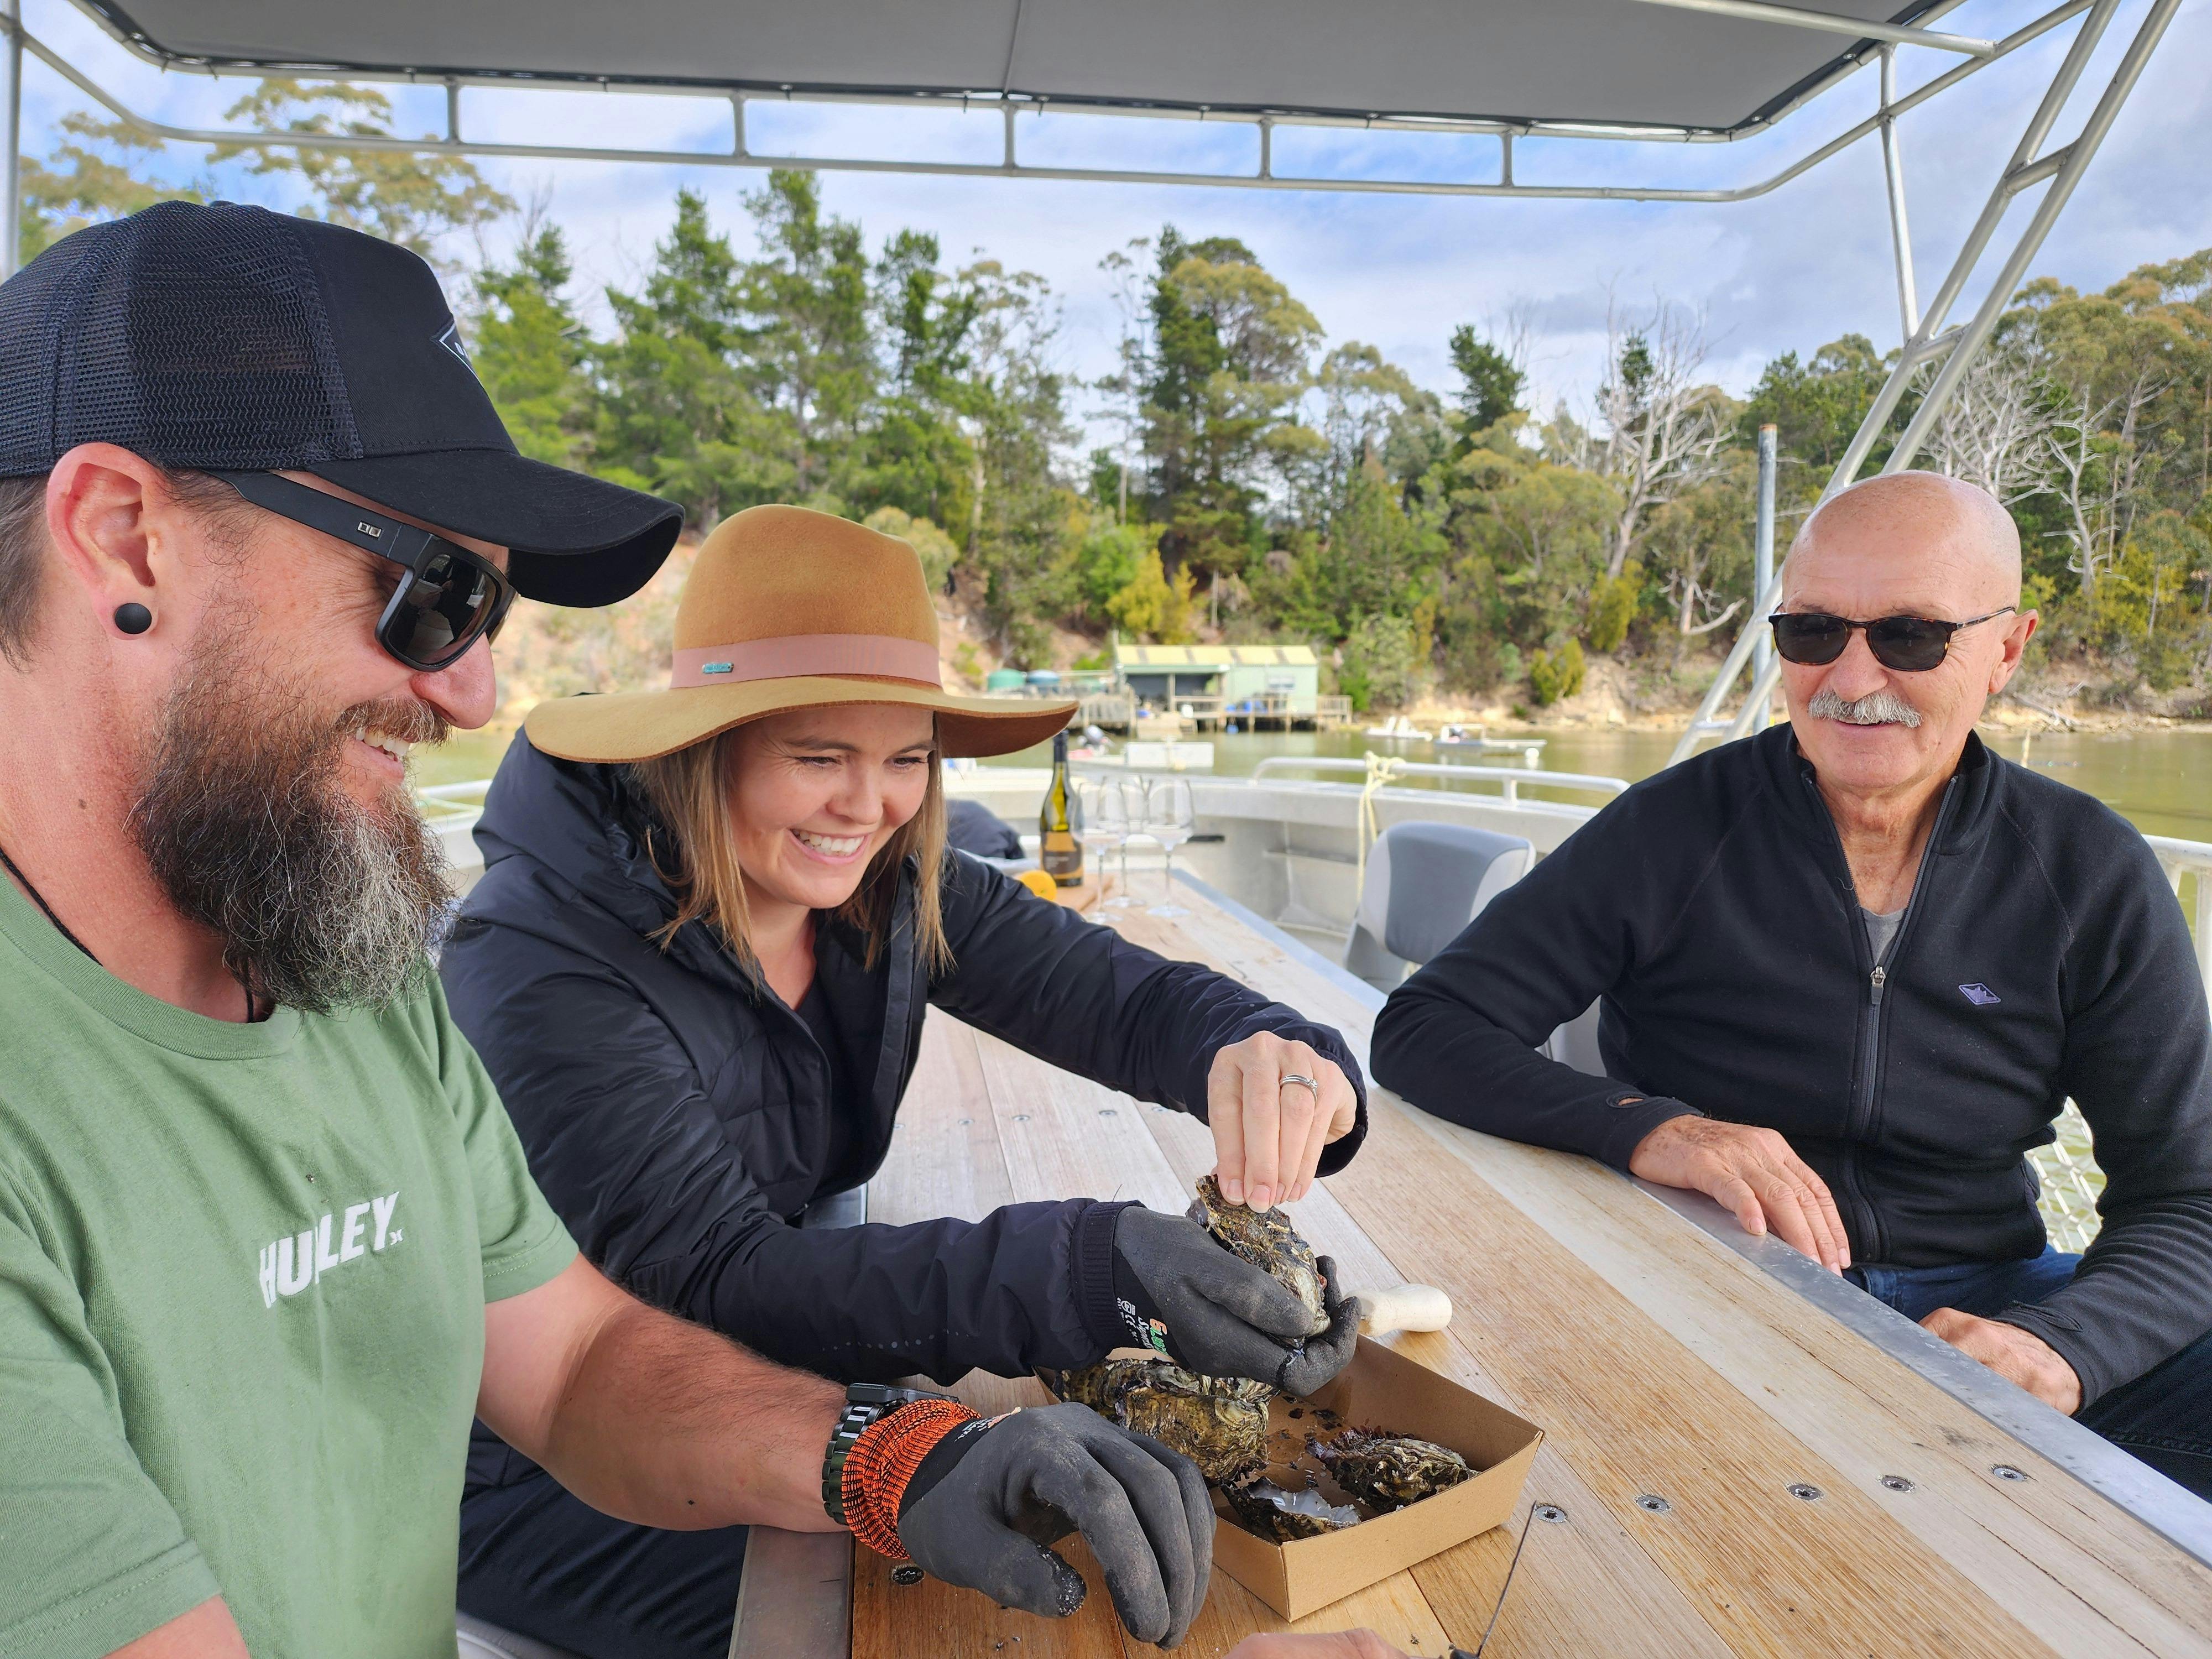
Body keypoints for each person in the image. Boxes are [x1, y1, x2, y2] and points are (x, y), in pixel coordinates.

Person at [0, 202, 1215, 1659]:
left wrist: (887, 1460)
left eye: (490, 611)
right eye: (433, 596)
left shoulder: (339, 961)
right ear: (123, 537)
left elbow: (578, 1362)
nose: (472, 696)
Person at [439, 503, 1372, 1656]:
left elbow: (1123, 1002)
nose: (868, 807)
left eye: (906, 760)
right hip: (539, 1470)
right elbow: (720, 1278)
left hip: (774, 1383)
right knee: (1011, 1607)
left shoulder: (888, 881)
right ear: (700, 747)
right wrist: (1096, 1264)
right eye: (817, 757)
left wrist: (1279, 1058)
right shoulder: (541, 963)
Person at [1373, 472, 2212, 1499]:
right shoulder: (1672, 831)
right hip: (1712, 1280)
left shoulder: (2091, 873)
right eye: (1812, 632)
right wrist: (1654, 1127)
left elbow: (2189, 1201)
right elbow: (1426, 1025)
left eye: (1911, 636)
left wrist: (2063, 1346)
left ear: (2007, 648)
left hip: (1986, 1295)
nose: (1852, 675)